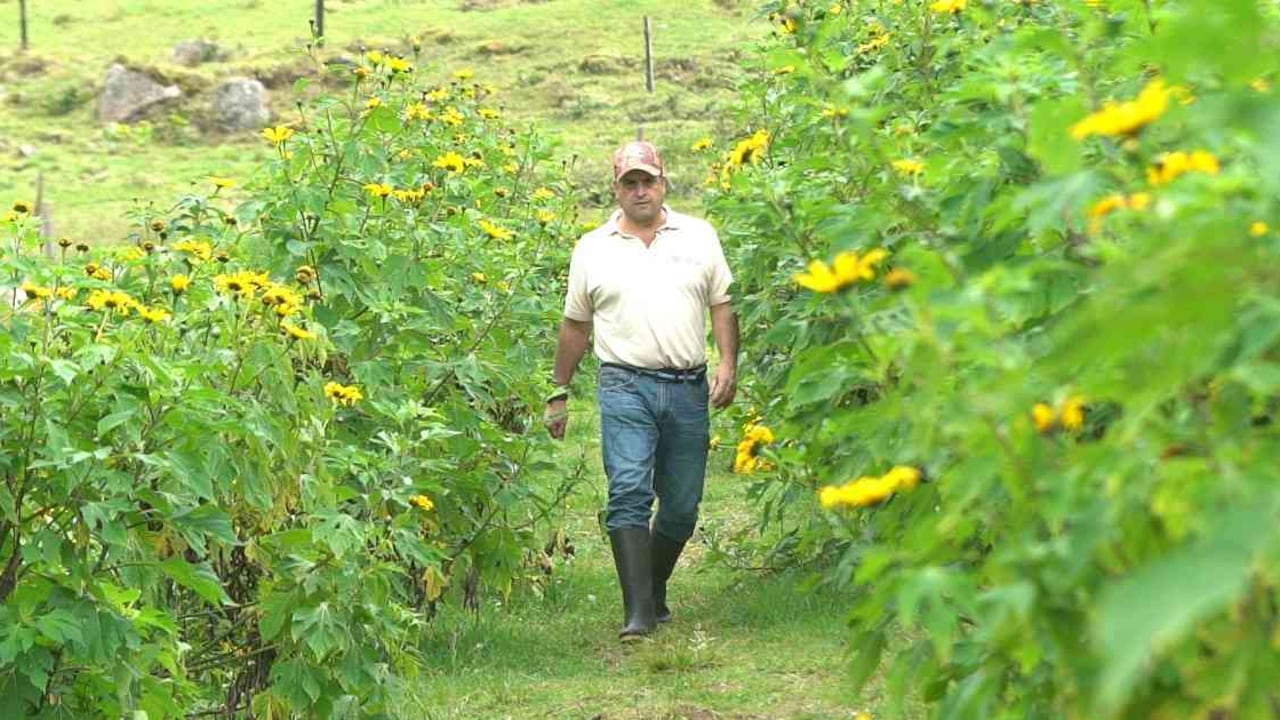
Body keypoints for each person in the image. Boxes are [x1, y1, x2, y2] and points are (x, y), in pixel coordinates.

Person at [544, 140, 739, 641]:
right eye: (629, 183)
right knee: (628, 488)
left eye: (647, 181)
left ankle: (652, 587)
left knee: (681, 503)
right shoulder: (593, 247)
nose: (640, 191)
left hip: (686, 385)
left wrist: (727, 362)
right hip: (623, 383)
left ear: (663, 183)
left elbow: (722, 303)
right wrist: (558, 391)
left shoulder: (698, 236)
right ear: (616, 190)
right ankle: (638, 613)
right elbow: (575, 325)